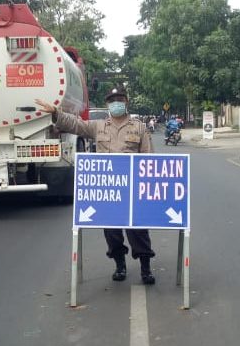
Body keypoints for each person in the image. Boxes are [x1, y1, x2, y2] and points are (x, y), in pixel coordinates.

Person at [35, 87, 156, 284]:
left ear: (126, 101)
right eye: (112, 100)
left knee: (138, 229)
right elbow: (76, 125)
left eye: (119, 99)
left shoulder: (139, 127)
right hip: (107, 190)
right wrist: (56, 113)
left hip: (132, 189)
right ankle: (120, 265)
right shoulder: (98, 126)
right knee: (111, 230)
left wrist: (147, 188)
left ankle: (145, 268)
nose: (116, 103)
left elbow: (149, 159)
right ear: (108, 104)